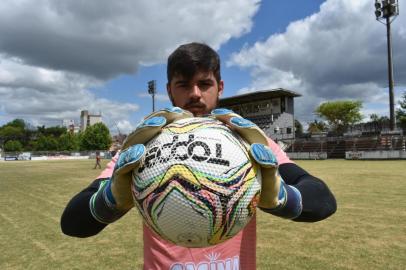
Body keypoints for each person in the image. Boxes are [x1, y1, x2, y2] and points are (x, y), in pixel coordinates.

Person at [61, 42, 336, 269]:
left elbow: (323, 200)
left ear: (220, 87)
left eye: (204, 83)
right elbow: (72, 222)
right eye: (183, 84)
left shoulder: (248, 142)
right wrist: (110, 199)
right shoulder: (144, 143)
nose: (195, 94)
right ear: (169, 90)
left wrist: (283, 197)